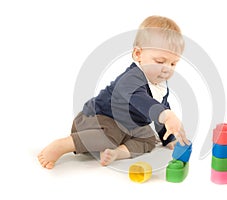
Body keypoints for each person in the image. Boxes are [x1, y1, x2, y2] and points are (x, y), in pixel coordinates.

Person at [38, 15, 190, 169]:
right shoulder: (130, 79)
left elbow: (162, 105)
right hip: (97, 120)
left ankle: (118, 152)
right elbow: (144, 102)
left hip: (126, 127)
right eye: (160, 61)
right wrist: (167, 115)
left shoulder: (160, 84)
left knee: (149, 139)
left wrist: (168, 137)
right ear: (138, 54)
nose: (167, 69)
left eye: (173, 63)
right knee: (110, 136)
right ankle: (64, 145)